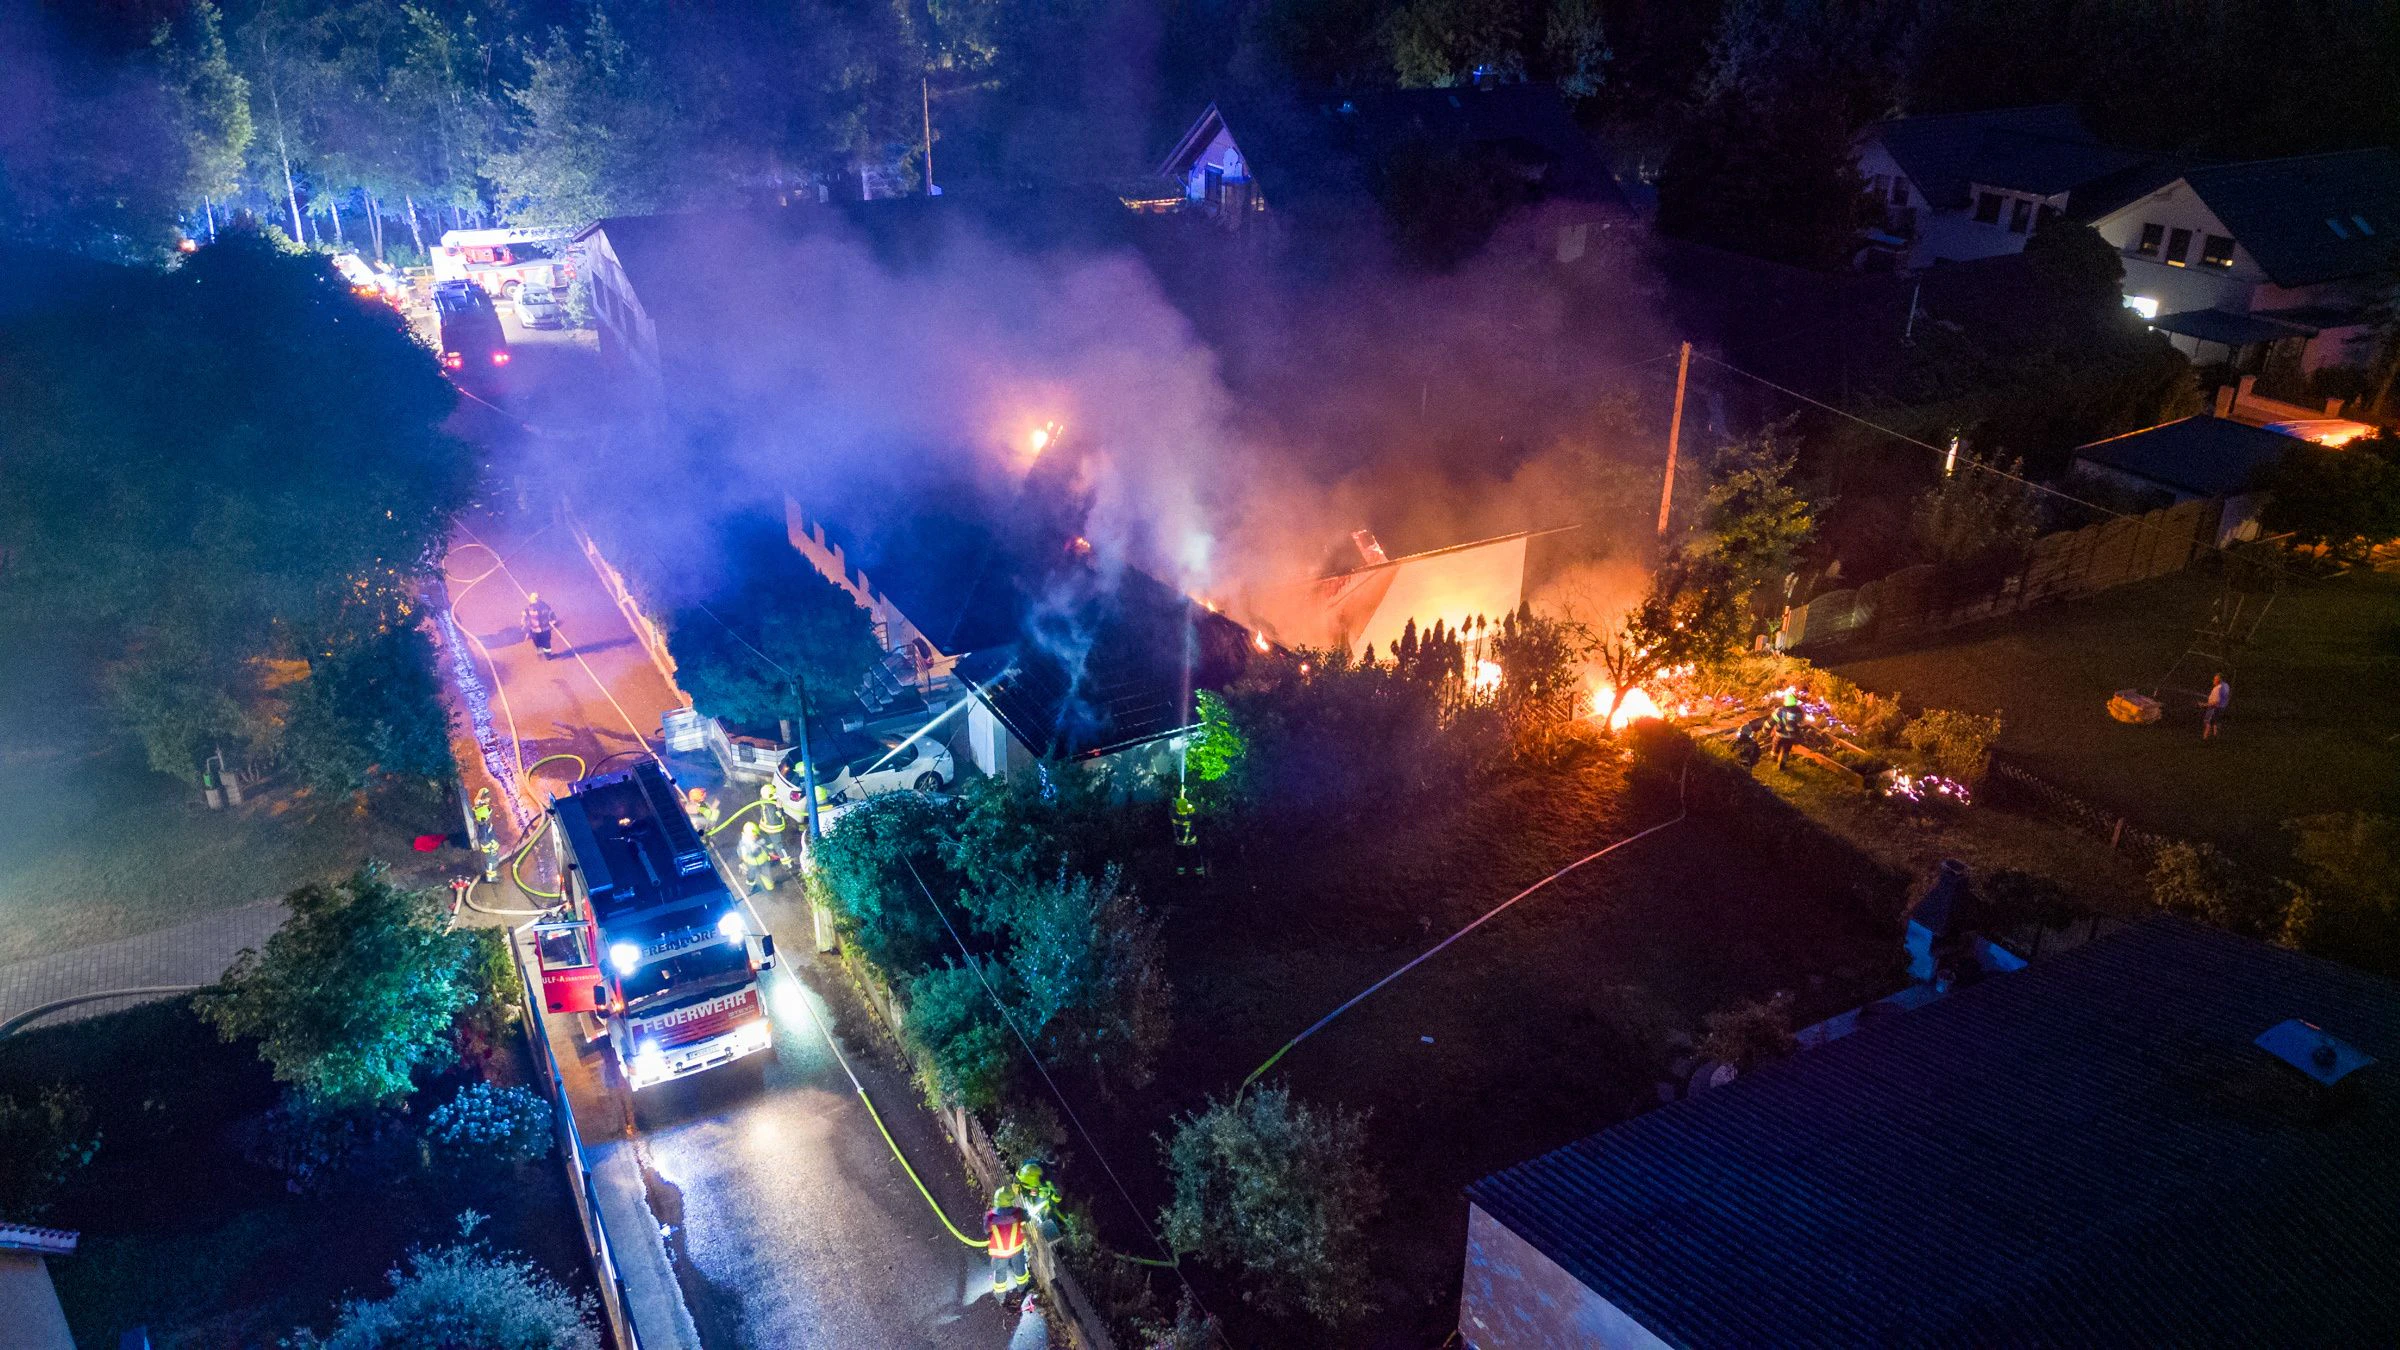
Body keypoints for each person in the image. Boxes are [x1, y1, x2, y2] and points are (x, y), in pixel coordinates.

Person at [984, 1187, 1031, 1299]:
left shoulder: (990, 1216)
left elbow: (986, 1230)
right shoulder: (1018, 1212)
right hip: (1016, 1249)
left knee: (1000, 1273)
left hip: (999, 1252)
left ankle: (1000, 1296)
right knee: (1020, 1270)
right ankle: (1023, 1289)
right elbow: (1028, 1218)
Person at [1015, 1160, 1063, 1239]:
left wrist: (1052, 1200)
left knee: (1048, 1213)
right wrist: (1028, 1192)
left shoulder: (1049, 1180)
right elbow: (1021, 1186)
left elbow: (1055, 1196)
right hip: (1037, 1187)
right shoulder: (1023, 1173)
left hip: (1046, 1192)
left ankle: (1053, 1238)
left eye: (1032, 1187)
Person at [1769, 691, 1806, 770]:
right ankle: (1782, 765)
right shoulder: (1799, 712)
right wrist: (1797, 734)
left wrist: (1765, 730)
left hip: (1779, 734)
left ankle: (1773, 757)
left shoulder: (1780, 710)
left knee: (1775, 745)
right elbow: (1800, 723)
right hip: (1790, 737)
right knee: (1785, 750)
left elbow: (1771, 721)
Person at [737, 820, 774, 893]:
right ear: (746, 835)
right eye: (752, 836)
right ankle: (751, 887)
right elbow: (742, 855)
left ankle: (770, 887)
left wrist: (770, 850)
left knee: (767, 873)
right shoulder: (743, 844)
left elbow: (768, 843)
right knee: (751, 876)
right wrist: (745, 861)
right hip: (752, 864)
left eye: (755, 835)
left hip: (764, 860)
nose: (755, 837)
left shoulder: (761, 836)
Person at [522, 592, 558, 659]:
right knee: (545, 643)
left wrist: (524, 623)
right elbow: (552, 614)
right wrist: (553, 620)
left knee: (539, 643)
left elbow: (524, 615)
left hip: (536, 630)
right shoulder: (545, 606)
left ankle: (542, 654)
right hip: (544, 630)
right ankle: (547, 656)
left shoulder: (530, 608)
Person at [2201, 672, 2232, 741]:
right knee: (2215, 724)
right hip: (2218, 709)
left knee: (2208, 723)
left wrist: (2204, 704)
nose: (2213, 680)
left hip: (2213, 709)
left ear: (2219, 680)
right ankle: (2215, 740)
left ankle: (2205, 739)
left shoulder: (2217, 689)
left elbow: (2215, 702)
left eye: (2215, 679)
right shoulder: (2223, 687)